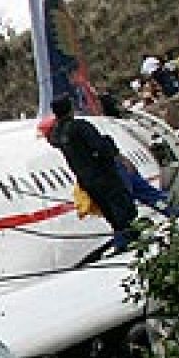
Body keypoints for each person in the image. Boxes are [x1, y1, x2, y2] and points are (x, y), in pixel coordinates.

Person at [45, 95, 139, 249]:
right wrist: (114, 151)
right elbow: (100, 147)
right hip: (103, 173)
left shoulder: (57, 134)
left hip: (85, 179)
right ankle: (129, 237)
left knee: (107, 209)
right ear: (70, 109)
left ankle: (121, 237)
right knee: (122, 206)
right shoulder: (80, 126)